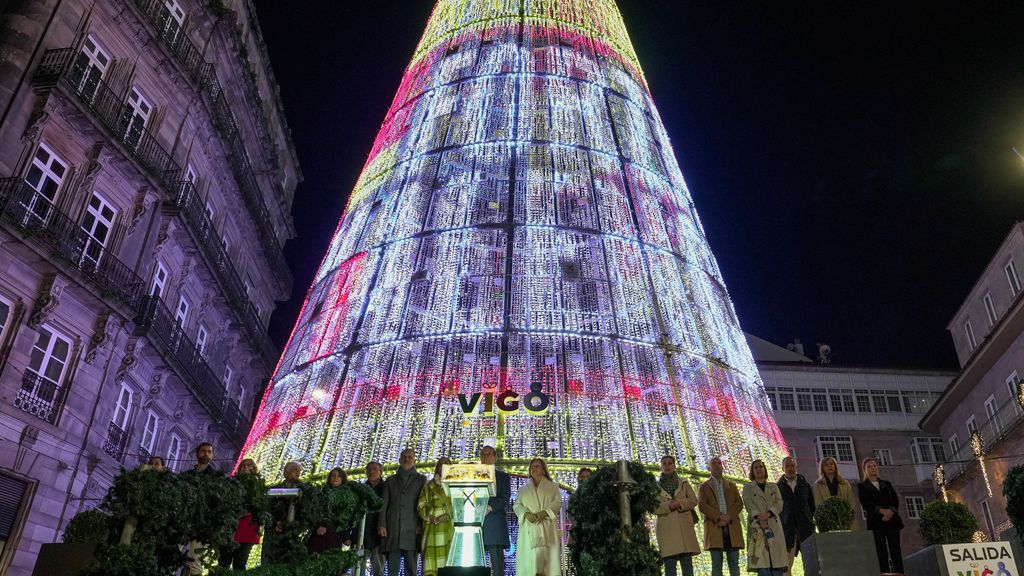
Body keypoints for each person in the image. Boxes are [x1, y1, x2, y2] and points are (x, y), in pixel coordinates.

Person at [378, 448, 426, 576]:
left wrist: (421, 525)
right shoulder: (390, 480)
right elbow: (384, 504)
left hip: (412, 529)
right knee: (392, 569)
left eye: (410, 457)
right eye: (404, 456)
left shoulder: (422, 480)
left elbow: (423, 504)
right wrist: (382, 525)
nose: (407, 459)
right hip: (393, 528)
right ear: (399, 459)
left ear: (415, 459)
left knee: (411, 569)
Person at [513, 457, 562, 576]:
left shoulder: (553, 487)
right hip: (529, 529)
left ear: (544, 470)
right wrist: (526, 514)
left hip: (546, 527)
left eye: (537, 466)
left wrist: (544, 513)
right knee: (530, 563)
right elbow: (517, 505)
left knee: (548, 564)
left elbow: (558, 502)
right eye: (532, 467)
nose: (534, 469)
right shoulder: (522, 489)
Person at [654, 455, 700, 576]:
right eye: (664, 463)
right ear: (661, 466)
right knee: (670, 565)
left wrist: (680, 503)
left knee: (687, 565)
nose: (667, 466)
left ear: (674, 466)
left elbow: (694, 500)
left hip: (683, 527)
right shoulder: (655, 486)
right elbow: (652, 506)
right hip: (666, 528)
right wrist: (668, 505)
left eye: (670, 463)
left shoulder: (683, 482)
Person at [698, 456, 744, 576]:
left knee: (734, 564)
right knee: (717, 565)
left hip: (732, 527)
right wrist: (718, 517)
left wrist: (729, 516)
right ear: (709, 468)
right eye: (714, 463)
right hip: (715, 527)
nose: (718, 465)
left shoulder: (732, 485)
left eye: (719, 463)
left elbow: (738, 503)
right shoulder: (704, 486)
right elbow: (702, 506)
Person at [857, 457, 904, 574]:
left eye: (874, 466)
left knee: (895, 550)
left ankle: (900, 573)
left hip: (892, 521)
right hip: (876, 523)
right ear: (865, 470)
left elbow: (895, 500)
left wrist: (890, 512)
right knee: (881, 551)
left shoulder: (887, 484)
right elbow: (866, 503)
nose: (872, 468)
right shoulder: (862, 486)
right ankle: (884, 573)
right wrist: (882, 511)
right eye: (869, 466)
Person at [743, 460, 787, 576]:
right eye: (756, 467)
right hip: (757, 527)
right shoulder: (748, 487)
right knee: (763, 565)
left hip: (773, 525)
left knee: (777, 564)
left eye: (761, 467)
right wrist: (759, 517)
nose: (759, 469)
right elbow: (748, 503)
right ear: (752, 471)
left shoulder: (773, 486)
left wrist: (769, 514)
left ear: (765, 469)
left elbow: (779, 502)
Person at [182, 442, 217, 574]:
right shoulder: (188, 475)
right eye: (203, 451)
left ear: (212, 455)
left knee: (195, 560)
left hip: (202, 524)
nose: (206, 454)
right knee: (172, 554)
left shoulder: (215, 478)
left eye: (209, 451)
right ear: (197, 453)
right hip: (184, 520)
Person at [220, 458, 262, 571]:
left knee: (240, 564)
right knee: (223, 562)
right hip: (230, 528)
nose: (247, 468)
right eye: (244, 465)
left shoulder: (259, 486)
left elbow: (261, 507)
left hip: (249, 528)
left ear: (254, 469)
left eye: (250, 466)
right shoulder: (231, 483)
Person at [262, 461, 307, 565]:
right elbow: (266, 510)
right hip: (274, 532)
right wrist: (275, 523)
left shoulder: (304, 491)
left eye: (299, 471)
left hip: (292, 533)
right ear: (286, 473)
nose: (298, 474)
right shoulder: (274, 490)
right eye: (295, 470)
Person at [777, 456, 815, 573]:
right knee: (787, 565)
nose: (790, 468)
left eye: (792, 466)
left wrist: (807, 519)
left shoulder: (805, 486)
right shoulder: (778, 487)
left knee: (811, 562)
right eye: (787, 466)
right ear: (783, 468)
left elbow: (811, 506)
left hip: (805, 528)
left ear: (796, 467)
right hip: (787, 529)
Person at [418, 457, 454, 576]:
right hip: (433, 530)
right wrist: (432, 516)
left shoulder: (457, 485)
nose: (443, 466)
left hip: (452, 529)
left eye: (447, 464)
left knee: (452, 563)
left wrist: (448, 516)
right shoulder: (429, 486)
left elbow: (462, 505)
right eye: (441, 464)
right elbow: (421, 505)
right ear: (437, 467)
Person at [481, 446, 510, 576]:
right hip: (476, 524)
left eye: (488, 454)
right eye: (483, 454)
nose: (485, 457)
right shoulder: (473, 476)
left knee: (497, 564)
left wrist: (489, 507)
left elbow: (505, 497)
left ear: (495, 457)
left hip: (494, 523)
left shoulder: (503, 477)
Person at [308, 467, 350, 555]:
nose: (335, 478)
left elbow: (345, 518)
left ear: (342, 479)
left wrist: (346, 537)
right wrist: (319, 526)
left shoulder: (347, 496)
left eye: (338, 476)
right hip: (318, 534)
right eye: (333, 476)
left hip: (335, 536)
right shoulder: (321, 493)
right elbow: (315, 512)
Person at [812, 456, 858, 530]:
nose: (829, 466)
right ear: (822, 468)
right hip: (828, 519)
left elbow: (851, 500)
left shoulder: (844, 483)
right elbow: (818, 502)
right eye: (826, 465)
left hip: (845, 518)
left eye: (831, 464)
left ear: (835, 466)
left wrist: (846, 513)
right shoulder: (818, 485)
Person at [362, 461, 386, 575]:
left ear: (381, 472)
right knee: (359, 568)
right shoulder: (361, 489)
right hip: (361, 536)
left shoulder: (386, 488)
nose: (371, 471)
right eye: (369, 469)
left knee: (378, 569)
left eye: (375, 469)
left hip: (379, 535)